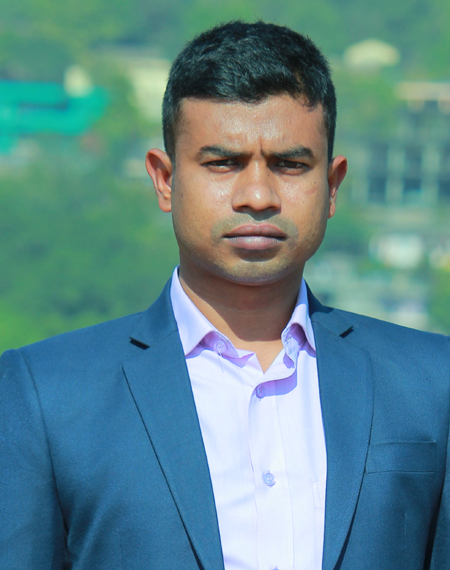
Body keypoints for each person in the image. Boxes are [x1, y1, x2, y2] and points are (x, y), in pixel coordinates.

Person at [0, 21, 449, 570]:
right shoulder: (48, 397)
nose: (257, 195)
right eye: (223, 163)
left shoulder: (430, 384)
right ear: (164, 179)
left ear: (332, 185)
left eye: (290, 164)